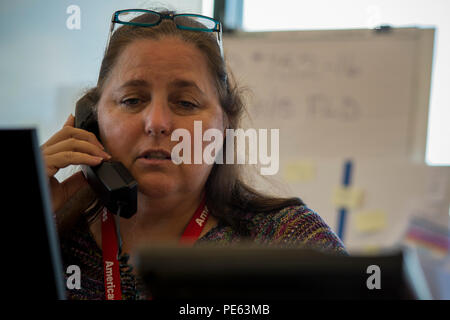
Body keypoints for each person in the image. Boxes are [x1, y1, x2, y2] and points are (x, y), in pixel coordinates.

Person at [40, 9, 346, 300]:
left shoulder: (286, 240)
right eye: (132, 100)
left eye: (186, 103)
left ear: (224, 126)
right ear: (91, 121)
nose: (157, 122)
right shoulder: (56, 240)